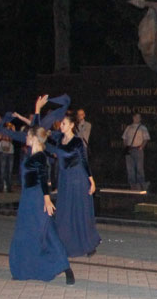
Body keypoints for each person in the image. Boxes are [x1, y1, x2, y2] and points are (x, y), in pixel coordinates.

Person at [7, 125, 74, 284]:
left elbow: (43, 178)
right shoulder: (32, 154)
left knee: (47, 232)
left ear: (34, 138)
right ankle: (24, 269)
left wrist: (47, 199)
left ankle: (65, 268)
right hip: (27, 197)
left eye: (28, 135)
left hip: (36, 198)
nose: (26, 137)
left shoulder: (40, 157)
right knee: (27, 232)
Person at [47, 115, 100, 257]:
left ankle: (87, 244)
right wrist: (37, 113)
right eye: (61, 123)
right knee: (65, 210)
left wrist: (91, 181)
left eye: (64, 123)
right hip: (64, 178)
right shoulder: (59, 138)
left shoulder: (77, 141)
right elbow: (42, 131)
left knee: (79, 210)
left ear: (71, 125)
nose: (61, 125)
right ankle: (64, 243)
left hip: (77, 178)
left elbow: (84, 160)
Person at [122, 113, 150, 190]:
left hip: (138, 149)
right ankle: (132, 185)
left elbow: (146, 139)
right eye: (136, 117)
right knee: (130, 168)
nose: (137, 119)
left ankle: (140, 184)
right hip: (129, 149)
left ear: (140, 119)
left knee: (139, 168)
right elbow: (124, 138)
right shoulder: (129, 127)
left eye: (138, 117)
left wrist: (141, 147)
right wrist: (126, 147)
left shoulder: (143, 128)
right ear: (133, 118)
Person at [0, 123, 16, 192]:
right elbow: (1, 138)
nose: (9, 127)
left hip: (10, 152)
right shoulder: (1, 131)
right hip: (3, 152)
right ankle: (1, 187)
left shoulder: (11, 132)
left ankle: (9, 187)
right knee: (2, 170)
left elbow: (12, 139)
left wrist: (13, 131)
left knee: (9, 171)